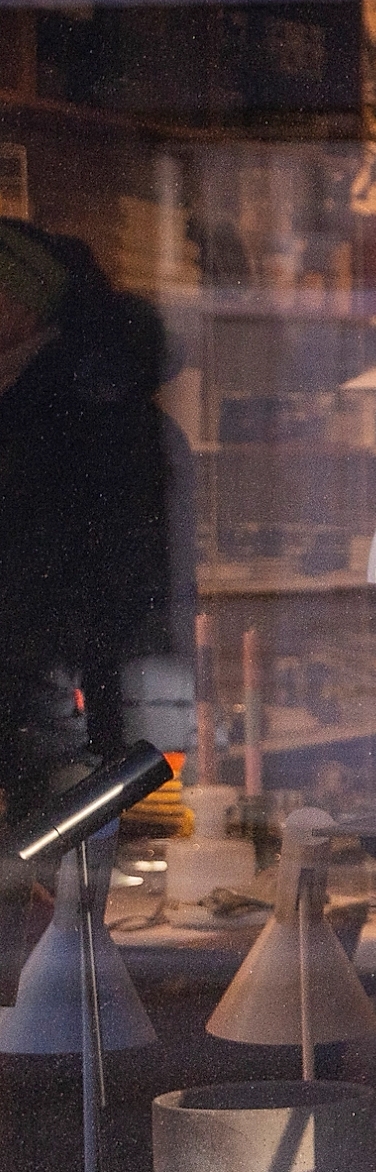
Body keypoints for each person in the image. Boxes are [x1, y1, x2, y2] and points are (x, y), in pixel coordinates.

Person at [0, 218, 173, 818]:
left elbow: (113, 568)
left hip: (58, 681)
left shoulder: (79, 413)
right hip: (50, 678)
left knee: (58, 847)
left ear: (25, 302)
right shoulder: (42, 397)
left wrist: (62, 675)